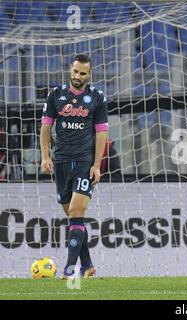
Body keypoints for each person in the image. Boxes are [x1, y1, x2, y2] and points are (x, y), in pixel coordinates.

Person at [39, 54, 108, 279]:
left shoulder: (97, 97)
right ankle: (87, 265)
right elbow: (46, 128)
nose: (78, 76)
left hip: (84, 162)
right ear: (71, 69)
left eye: (83, 73)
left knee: (77, 211)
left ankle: (70, 269)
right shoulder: (56, 95)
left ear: (89, 74)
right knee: (72, 215)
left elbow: (102, 133)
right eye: (75, 71)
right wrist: (45, 157)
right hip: (60, 162)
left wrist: (97, 165)